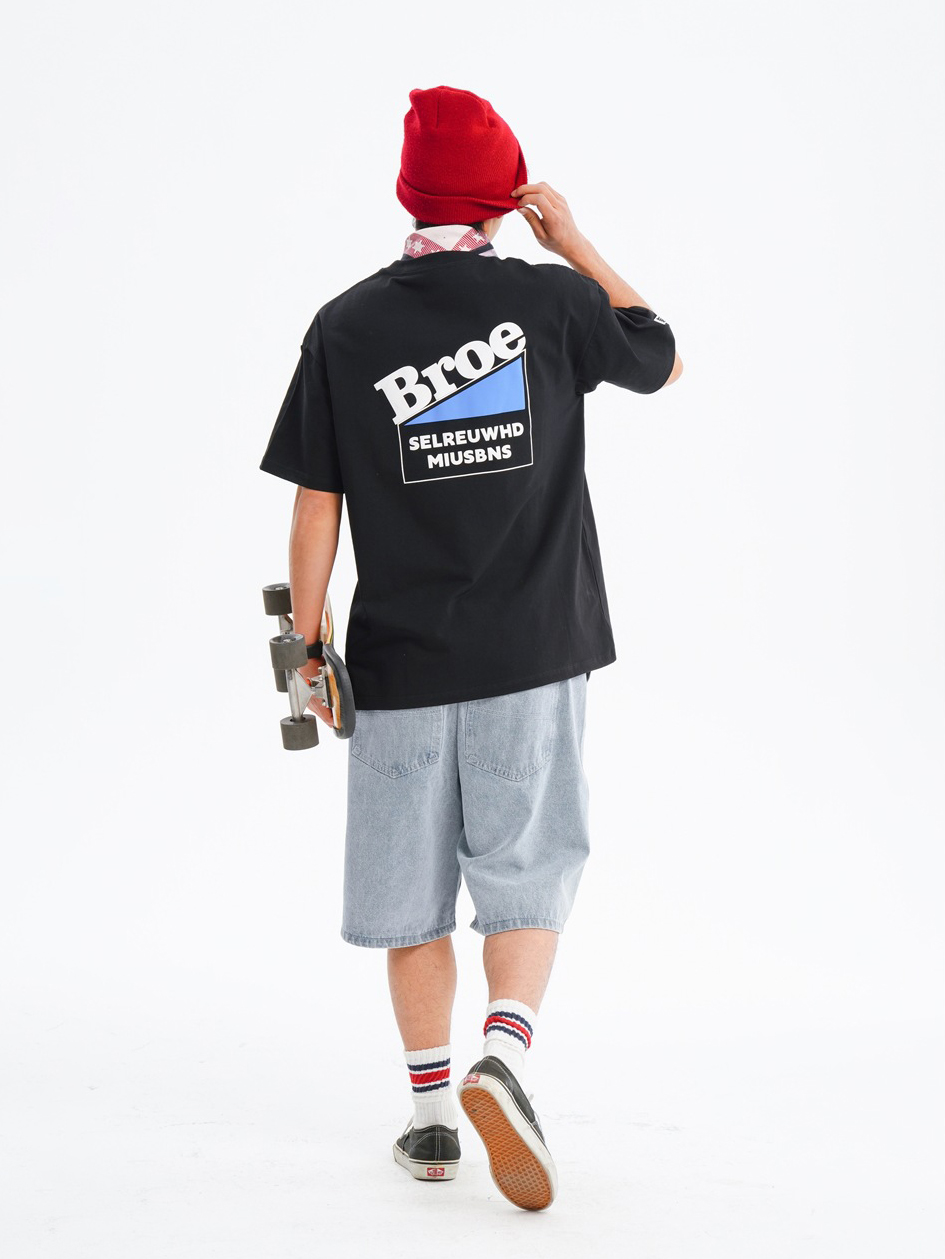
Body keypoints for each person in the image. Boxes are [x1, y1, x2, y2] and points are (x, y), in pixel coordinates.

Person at [259, 83, 682, 1212]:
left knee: (411, 903)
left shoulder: (346, 324)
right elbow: (659, 355)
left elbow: (316, 503)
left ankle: (434, 1119)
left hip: (398, 668)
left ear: (407, 193)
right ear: (504, 198)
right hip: (533, 653)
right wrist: (572, 239)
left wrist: (307, 646)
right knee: (526, 877)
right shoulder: (550, 302)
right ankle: (506, 1051)